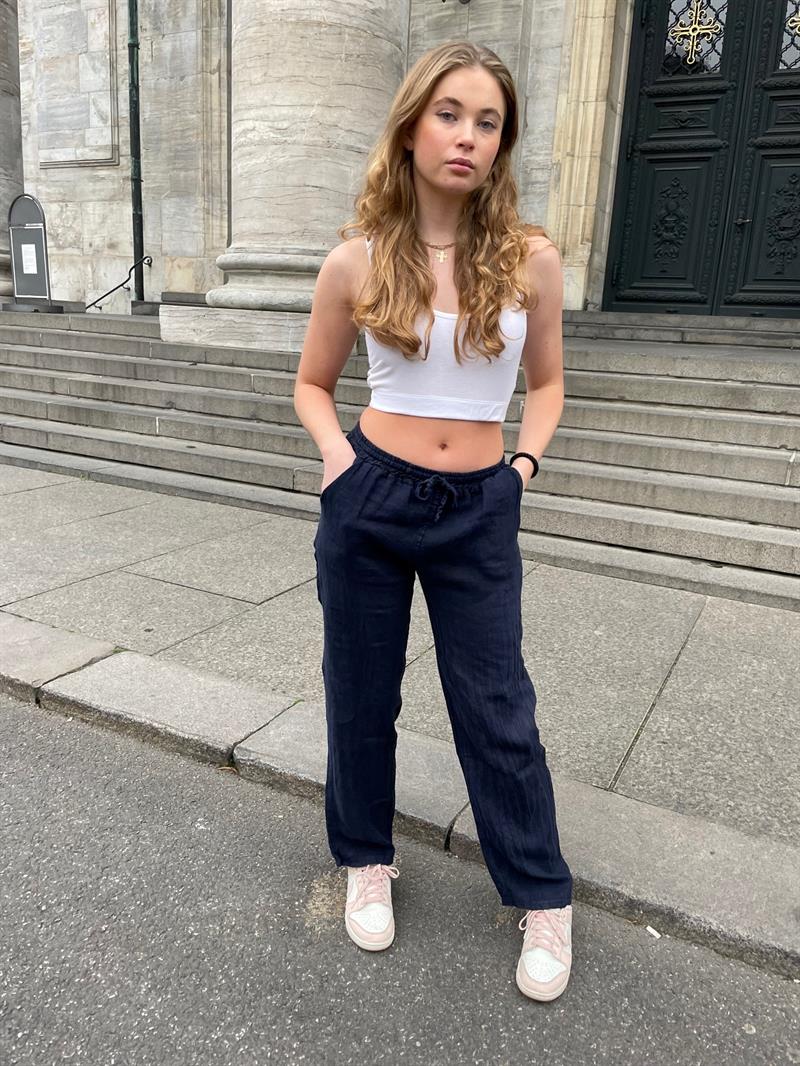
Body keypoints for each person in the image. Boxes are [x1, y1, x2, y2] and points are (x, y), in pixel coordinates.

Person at [293, 40, 573, 1003]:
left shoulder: (530, 260)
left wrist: (521, 469)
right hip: (371, 498)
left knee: (496, 706)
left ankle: (541, 894)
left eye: (487, 122)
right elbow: (311, 384)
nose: (466, 137)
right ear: (411, 127)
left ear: (502, 143)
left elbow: (548, 384)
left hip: (479, 505)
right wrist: (338, 464)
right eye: (449, 114)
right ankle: (366, 858)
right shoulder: (357, 259)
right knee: (360, 695)